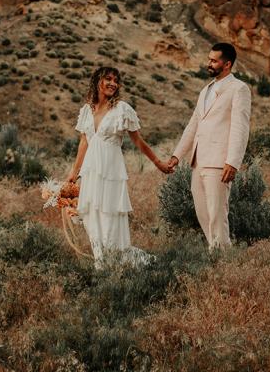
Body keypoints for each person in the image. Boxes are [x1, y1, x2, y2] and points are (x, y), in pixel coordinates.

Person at [67, 66, 171, 263]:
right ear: (97, 81)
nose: (113, 83)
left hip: (112, 171)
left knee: (110, 217)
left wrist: (158, 163)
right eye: (108, 79)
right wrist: (74, 173)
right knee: (91, 217)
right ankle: (102, 264)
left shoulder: (122, 109)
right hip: (91, 172)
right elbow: (84, 142)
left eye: (116, 80)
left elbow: (138, 141)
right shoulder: (86, 111)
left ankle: (123, 262)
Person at [168, 42, 251, 249]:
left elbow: (240, 128)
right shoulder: (205, 90)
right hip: (198, 161)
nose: (209, 64)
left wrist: (232, 162)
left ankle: (224, 259)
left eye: (214, 60)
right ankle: (216, 253)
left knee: (217, 214)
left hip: (219, 162)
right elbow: (193, 125)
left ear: (227, 64)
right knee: (203, 213)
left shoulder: (239, 88)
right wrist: (177, 155)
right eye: (209, 59)